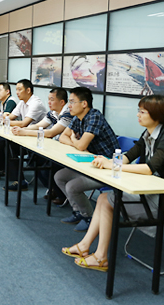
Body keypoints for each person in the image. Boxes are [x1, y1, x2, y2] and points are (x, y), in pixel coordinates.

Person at [61, 95, 164, 272]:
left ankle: (101, 257)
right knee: (103, 198)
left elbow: (149, 168)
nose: (138, 115)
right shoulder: (148, 134)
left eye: (142, 112)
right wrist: (108, 161)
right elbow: (128, 156)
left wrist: (112, 165)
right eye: (139, 111)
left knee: (107, 201)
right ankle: (85, 246)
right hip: (151, 191)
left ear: (157, 114)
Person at [54, 87, 119, 231]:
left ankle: (88, 217)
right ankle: (78, 211)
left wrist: (75, 141)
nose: (69, 106)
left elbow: (82, 145)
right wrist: (75, 143)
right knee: (59, 177)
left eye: (72, 102)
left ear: (84, 104)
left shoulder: (95, 116)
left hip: (106, 168)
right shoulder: (78, 118)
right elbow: (63, 137)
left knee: (72, 186)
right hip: (89, 164)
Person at [11, 87, 71, 203]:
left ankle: (62, 194)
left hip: (64, 151)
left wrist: (25, 132)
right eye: (48, 99)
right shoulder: (52, 113)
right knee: (35, 161)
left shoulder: (68, 114)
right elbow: (39, 125)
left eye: (52, 99)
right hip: (55, 148)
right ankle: (53, 189)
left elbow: (51, 133)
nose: (49, 102)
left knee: (46, 169)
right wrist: (22, 129)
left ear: (62, 102)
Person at [0, 79, 47, 191]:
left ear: (28, 90)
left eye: (19, 89)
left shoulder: (35, 103)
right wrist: (5, 118)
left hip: (40, 139)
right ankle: (17, 179)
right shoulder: (22, 103)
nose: (17, 92)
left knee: (8, 145)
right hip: (27, 135)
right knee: (5, 144)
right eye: (16, 90)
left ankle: (19, 180)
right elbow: (10, 117)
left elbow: (24, 123)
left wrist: (5, 121)